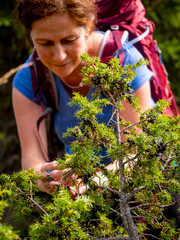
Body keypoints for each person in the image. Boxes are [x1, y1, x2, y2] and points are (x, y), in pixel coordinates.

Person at [12, 0, 153, 195]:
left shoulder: (124, 61)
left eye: (69, 40)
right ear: (30, 38)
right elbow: (32, 158)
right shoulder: (29, 78)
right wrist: (43, 177)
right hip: (82, 187)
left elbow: (137, 153)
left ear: (88, 28)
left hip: (151, 183)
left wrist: (97, 181)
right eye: (45, 43)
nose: (59, 56)